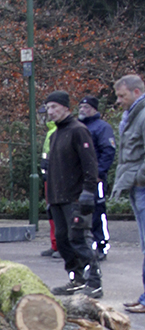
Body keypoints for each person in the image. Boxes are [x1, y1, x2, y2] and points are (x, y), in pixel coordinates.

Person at [44, 90, 102, 298]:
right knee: (63, 240)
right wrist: (50, 198)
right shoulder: (56, 134)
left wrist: (88, 191)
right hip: (58, 197)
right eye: (48, 108)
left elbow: (89, 163)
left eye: (54, 107)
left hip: (75, 196)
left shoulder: (78, 130)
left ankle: (93, 281)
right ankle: (76, 279)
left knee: (79, 238)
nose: (50, 112)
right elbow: (54, 168)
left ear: (66, 108)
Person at [110, 75, 145, 313]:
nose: (118, 100)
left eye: (122, 96)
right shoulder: (133, 114)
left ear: (136, 91)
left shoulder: (141, 115)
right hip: (136, 185)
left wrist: (139, 178)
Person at [77, 95, 116, 260]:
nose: (82, 110)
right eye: (80, 107)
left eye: (86, 107)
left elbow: (108, 151)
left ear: (94, 109)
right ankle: (83, 246)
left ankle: (101, 246)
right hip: (78, 178)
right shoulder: (78, 127)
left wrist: (99, 173)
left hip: (95, 179)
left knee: (97, 212)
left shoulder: (102, 128)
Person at [40, 118, 60, 258]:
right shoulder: (52, 131)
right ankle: (55, 245)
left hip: (56, 178)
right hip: (51, 177)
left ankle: (59, 246)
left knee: (56, 212)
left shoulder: (56, 131)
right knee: (52, 211)